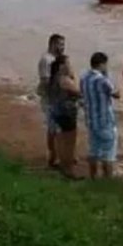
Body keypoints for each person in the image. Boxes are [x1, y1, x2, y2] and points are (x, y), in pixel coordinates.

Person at [80, 52, 120, 179]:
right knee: (108, 152)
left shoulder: (84, 78)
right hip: (105, 121)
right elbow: (116, 94)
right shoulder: (102, 80)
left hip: (91, 120)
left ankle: (93, 177)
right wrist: (108, 76)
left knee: (93, 150)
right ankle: (107, 179)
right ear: (102, 64)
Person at [47, 54, 81, 180]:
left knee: (61, 140)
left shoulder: (55, 78)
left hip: (57, 111)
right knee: (69, 143)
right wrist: (72, 75)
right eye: (68, 63)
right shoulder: (65, 80)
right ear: (62, 66)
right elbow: (79, 91)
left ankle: (63, 166)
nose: (70, 66)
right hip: (67, 112)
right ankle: (69, 170)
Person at [37, 33, 65, 168]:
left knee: (57, 128)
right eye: (60, 44)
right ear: (53, 44)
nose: (63, 47)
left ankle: (58, 155)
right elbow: (45, 81)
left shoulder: (55, 59)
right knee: (53, 129)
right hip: (50, 99)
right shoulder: (46, 60)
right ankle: (53, 156)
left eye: (63, 45)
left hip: (56, 98)